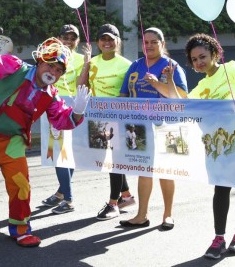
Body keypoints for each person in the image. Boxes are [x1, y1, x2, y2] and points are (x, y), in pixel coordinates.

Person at [0, 28, 91, 247]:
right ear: (40, 62)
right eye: (50, 65)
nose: (54, 72)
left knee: (21, 185)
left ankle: (21, 228)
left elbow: (61, 121)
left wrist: (77, 111)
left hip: (13, 141)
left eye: (59, 70)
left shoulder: (51, 95)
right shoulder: (16, 68)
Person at [166, 33, 235, 259]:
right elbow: (183, 105)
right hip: (223, 143)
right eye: (194, 60)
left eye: (203, 56)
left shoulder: (231, 69)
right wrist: (168, 80)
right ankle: (219, 237)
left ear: (215, 53)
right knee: (221, 186)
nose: (199, 62)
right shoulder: (202, 87)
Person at [118, 27, 188, 230]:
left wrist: (157, 84)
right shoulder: (136, 65)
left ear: (162, 44)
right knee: (144, 170)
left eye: (153, 42)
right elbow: (123, 96)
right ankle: (141, 215)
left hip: (167, 127)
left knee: (166, 171)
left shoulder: (171, 66)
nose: (148, 45)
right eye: (145, 42)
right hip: (139, 127)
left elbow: (182, 97)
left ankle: (168, 215)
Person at [78, 23, 135, 220]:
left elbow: (130, 93)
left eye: (111, 39)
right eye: (104, 39)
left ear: (118, 41)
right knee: (110, 160)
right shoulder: (93, 62)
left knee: (115, 161)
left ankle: (113, 204)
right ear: (98, 42)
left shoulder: (127, 65)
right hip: (97, 118)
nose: (107, 42)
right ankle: (126, 196)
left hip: (119, 119)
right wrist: (86, 62)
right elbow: (81, 86)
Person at [40, 24, 91, 215]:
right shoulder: (50, 56)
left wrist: (86, 64)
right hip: (49, 104)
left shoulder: (79, 59)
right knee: (59, 153)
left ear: (77, 41)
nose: (68, 41)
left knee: (62, 154)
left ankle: (68, 200)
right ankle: (61, 193)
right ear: (58, 38)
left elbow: (80, 85)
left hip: (68, 108)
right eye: (65, 37)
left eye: (72, 38)